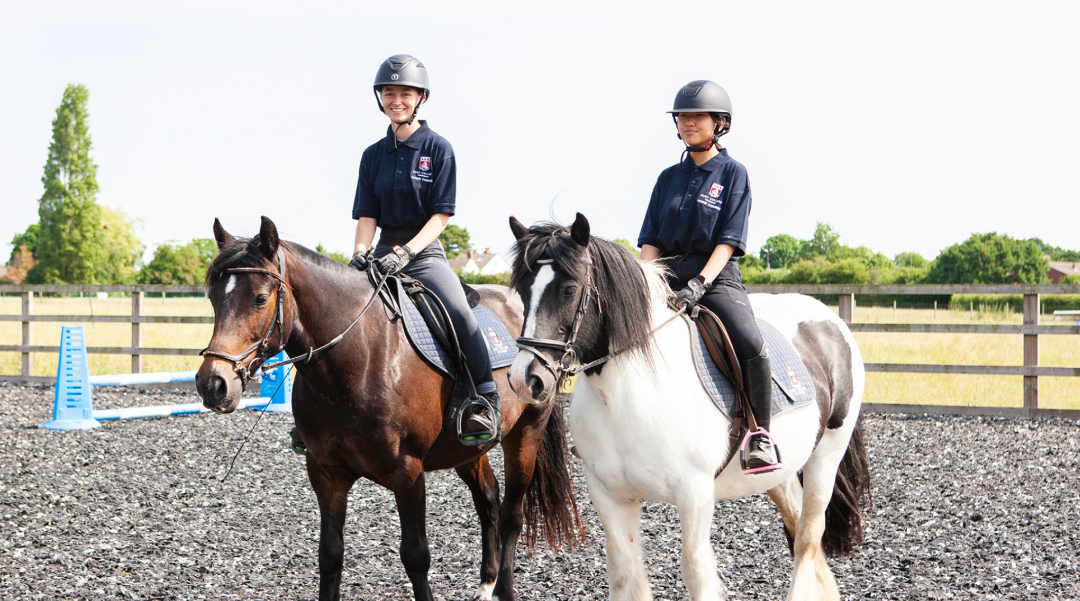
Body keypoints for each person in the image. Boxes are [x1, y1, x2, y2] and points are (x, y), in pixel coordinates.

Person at [348, 54, 500, 445]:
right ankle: (325, 413)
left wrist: (408, 253)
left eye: (404, 93)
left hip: (425, 254)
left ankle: (485, 398)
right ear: (379, 97)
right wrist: (361, 253)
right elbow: (367, 214)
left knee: (461, 316)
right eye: (389, 92)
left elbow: (441, 216)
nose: (396, 100)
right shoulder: (371, 155)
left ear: (420, 98)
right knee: (336, 313)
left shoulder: (439, 148)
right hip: (381, 252)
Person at [637, 80, 780, 473]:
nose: (687, 122)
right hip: (664, 275)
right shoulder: (667, 178)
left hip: (715, 277)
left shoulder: (734, 173)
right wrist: (643, 282)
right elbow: (650, 238)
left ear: (720, 123)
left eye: (696, 116)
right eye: (682, 116)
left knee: (750, 341)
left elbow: (729, 240)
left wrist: (699, 283)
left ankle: (760, 435)